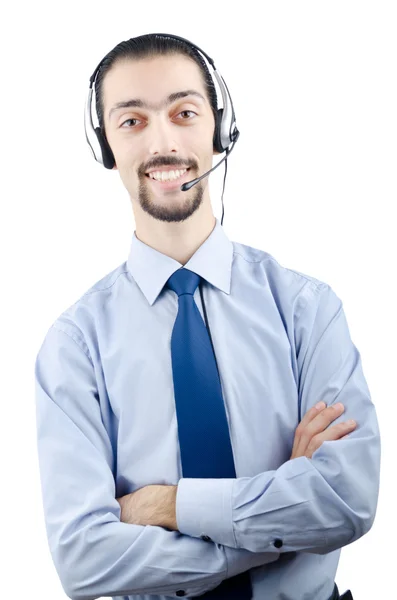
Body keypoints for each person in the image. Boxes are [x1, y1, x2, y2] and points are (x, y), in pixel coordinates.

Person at [34, 33, 380, 600]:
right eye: (132, 121)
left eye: (184, 112)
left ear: (220, 129)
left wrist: (168, 506)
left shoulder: (306, 309)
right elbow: (85, 561)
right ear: (107, 150)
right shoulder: (75, 346)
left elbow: (347, 500)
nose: (163, 142)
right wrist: (281, 516)